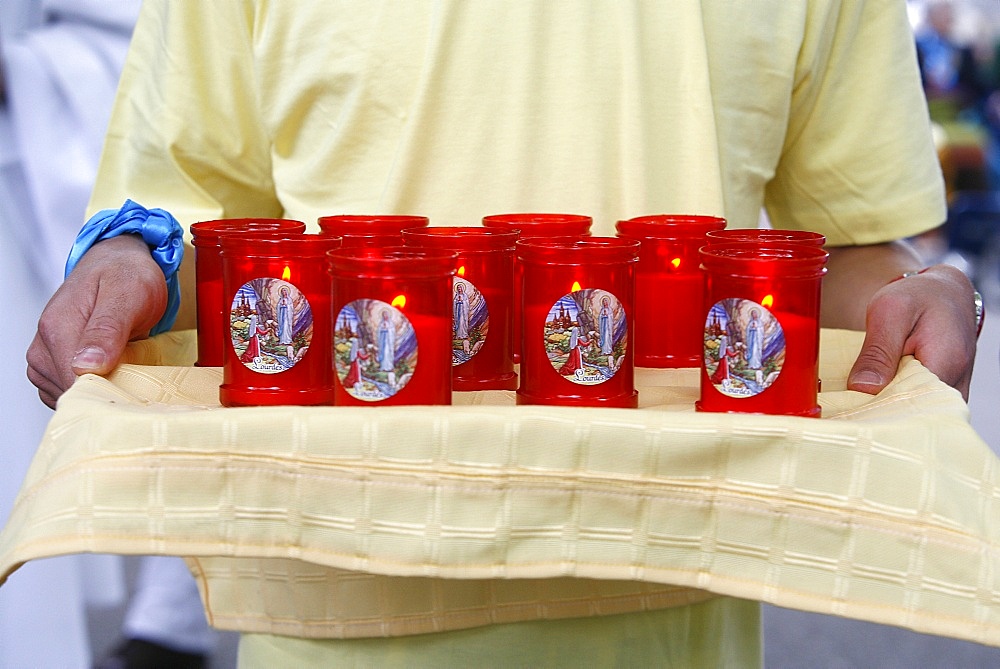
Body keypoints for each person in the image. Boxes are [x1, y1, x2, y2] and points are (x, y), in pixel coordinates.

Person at [22, 1, 982, 665]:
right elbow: (191, 225)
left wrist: (928, 284)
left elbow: (845, 249)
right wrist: (126, 264)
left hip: (666, 610)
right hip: (337, 613)